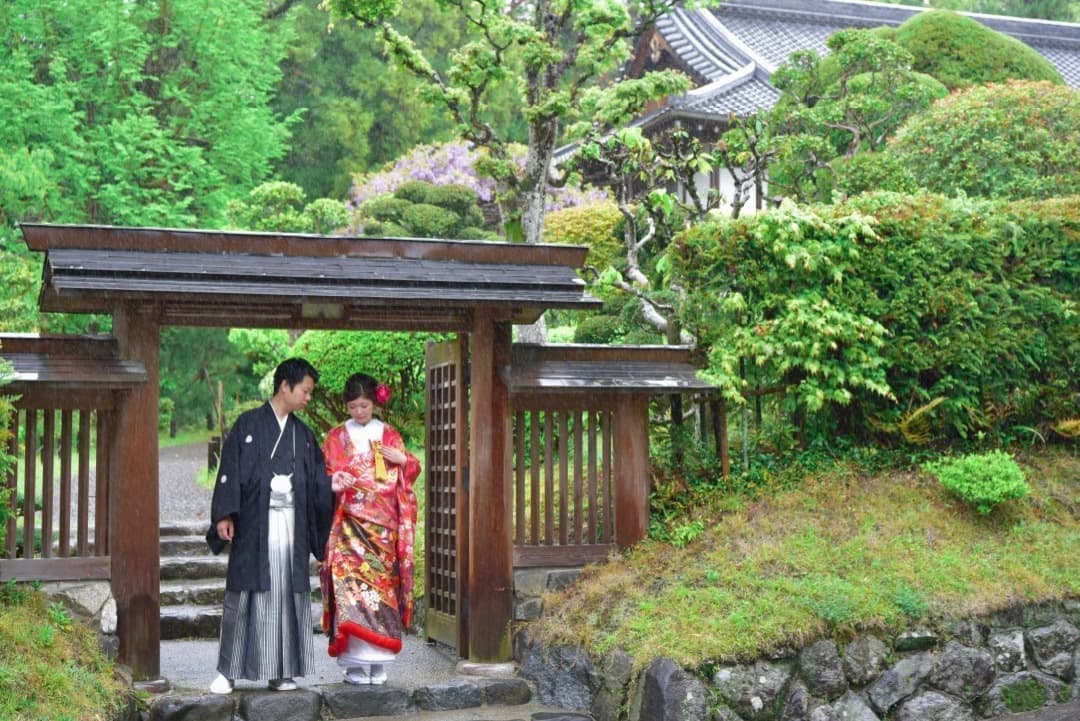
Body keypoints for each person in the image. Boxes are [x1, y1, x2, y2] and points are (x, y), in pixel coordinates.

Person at [206, 357, 334, 694]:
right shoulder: (248, 425)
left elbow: (319, 481)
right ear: (285, 386)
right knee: (245, 593)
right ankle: (228, 672)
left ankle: (282, 670)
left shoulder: (303, 436)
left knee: (286, 596)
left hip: (291, 526)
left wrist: (335, 485)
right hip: (254, 525)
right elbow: (229, 470)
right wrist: (224, 514)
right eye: (305, 391)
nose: (308, 398)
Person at [320, 372, 421, 685]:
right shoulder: (335, 437)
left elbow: (411, 469)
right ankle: (352, 665)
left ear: (374, 402)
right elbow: (323, 475)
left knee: (381, 591)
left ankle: (379, 663)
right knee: (349, 588)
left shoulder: (389, 434)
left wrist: (403, 460)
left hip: (382, 530)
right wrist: (335, 482)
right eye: (352, 407)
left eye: (364, 406)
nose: (359, 412)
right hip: (348, 526)